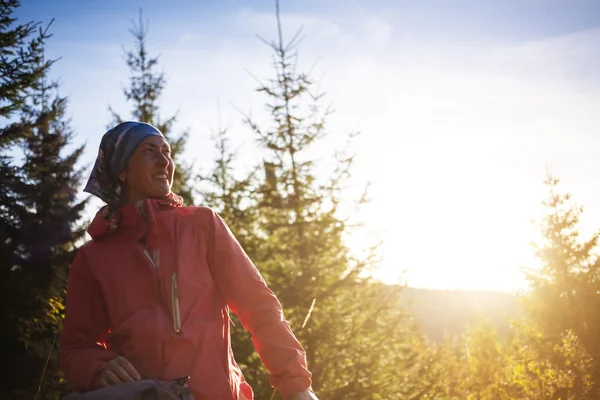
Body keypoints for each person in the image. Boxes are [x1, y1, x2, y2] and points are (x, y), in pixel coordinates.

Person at [60, 121, 318, 400]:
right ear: (122, 170)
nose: (164, 161)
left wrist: (296, 385)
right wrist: (97, 368)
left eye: (167, 152)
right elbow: (77, 347)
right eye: (149, 151)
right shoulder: (94, 257)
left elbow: (258, 305)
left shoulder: (201, 224)